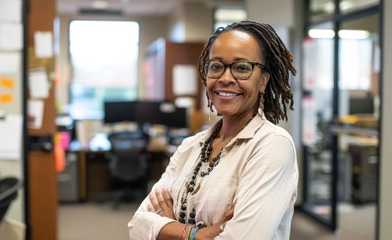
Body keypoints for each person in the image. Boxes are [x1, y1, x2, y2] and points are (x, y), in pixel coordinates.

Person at [128, 20, 299, 240]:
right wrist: (198, 234)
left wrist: (167, 227)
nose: (225, 78)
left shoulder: (271, 145)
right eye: (216, 66)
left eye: (242, 68)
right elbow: (136, 225)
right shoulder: (190, 147)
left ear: (263, 81)